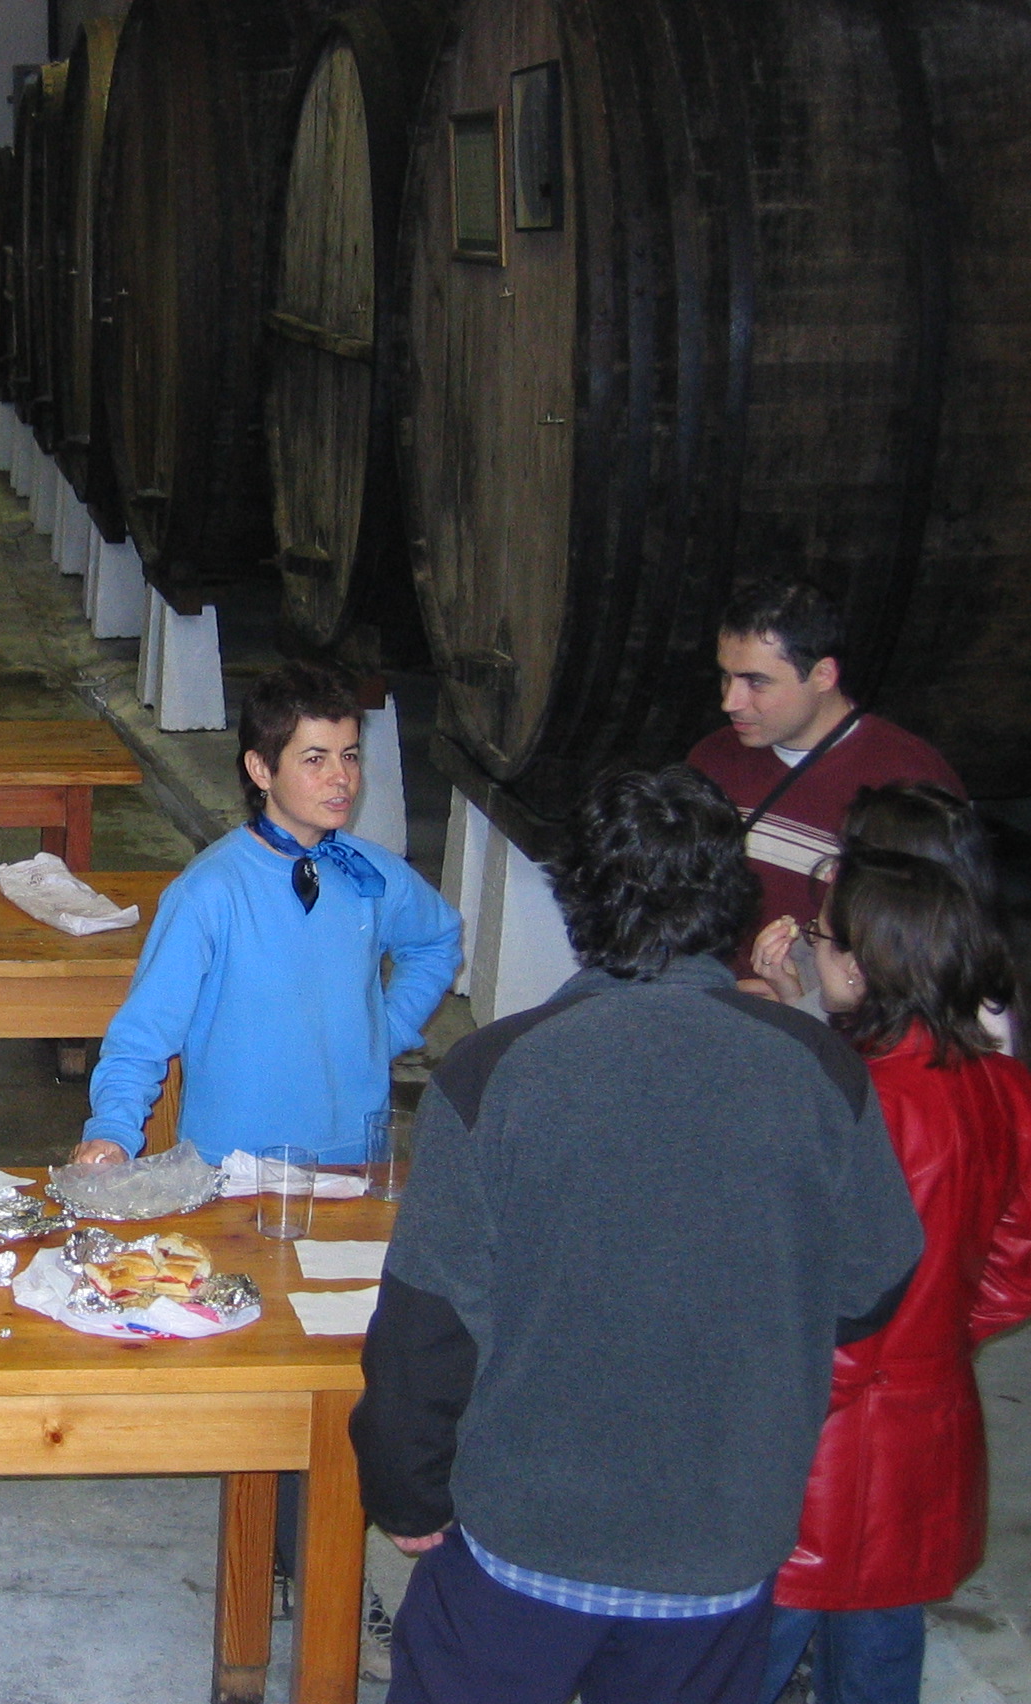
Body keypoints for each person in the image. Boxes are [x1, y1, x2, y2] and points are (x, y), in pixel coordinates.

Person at [352, 764, 925, 1704]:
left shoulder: (494, 1071)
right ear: (732, 899)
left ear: (577, 899)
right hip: (720, 1542)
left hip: (526, 1540)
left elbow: (428, 1324)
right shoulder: (819, 1069)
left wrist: (407, 1491)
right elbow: (873, 1282)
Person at [751, 837, 1031, 1704]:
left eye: (823, 937)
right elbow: (1014, 1270)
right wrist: (930, 1339)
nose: (810, 947)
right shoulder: (1005, 1089)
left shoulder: (851, 1098)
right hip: (925, 1440)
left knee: (736, 1665)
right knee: (878, 1661)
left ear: (862, 967)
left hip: (816, 1457)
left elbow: (818, 1295)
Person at [73, 662, 460, 1165]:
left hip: (353, 1155)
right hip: (234, 1164)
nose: (341, 778)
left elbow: (436, 940)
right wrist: (112, 1129)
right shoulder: (209, 891)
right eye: (315, 759)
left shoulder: (373, 874)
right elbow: (143, 1032)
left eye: (349, 755)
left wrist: (388, 1029)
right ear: (261, 770)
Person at [688, 577, 961, 976]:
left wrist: (808, 1000)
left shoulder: (910, 779)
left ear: (823, 675)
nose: (730, 701)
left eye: (756, 681)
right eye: (726, 676)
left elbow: (935, 945)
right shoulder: (711, 759)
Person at [751, 781, 1020, 1054]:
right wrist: (792, 997)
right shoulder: (891, 975)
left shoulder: (961, 1024)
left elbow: (832, 1064)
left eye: (853, 863)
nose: (832, 874)